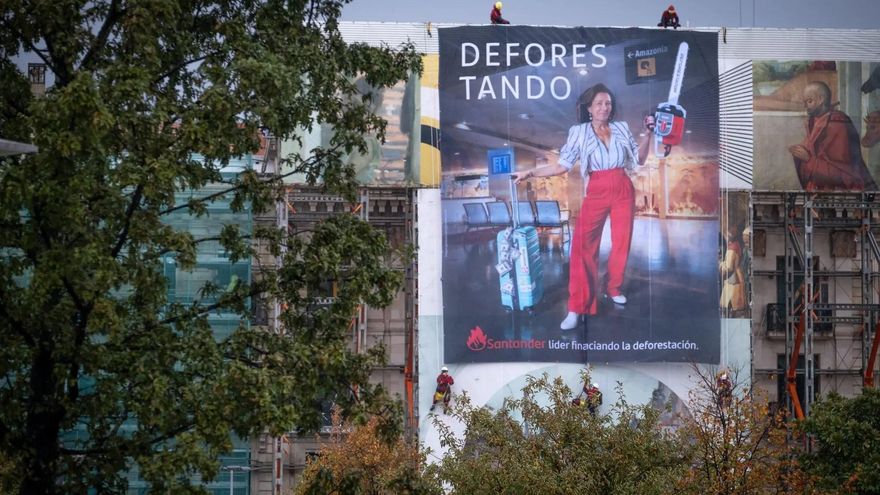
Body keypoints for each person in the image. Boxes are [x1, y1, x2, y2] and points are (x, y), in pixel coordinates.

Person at [517, 83, 654, 330]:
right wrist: (531, 172)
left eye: (608, 103)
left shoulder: (621, 128)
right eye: (599, 103)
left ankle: (613, 287)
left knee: (621, 242)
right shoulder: (578, 132)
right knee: (581, 247)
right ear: (589, 108)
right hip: (598, 187)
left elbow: (640, 160)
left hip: (623, 185)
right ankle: (576, 306)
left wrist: (648, 133)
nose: (605, 107)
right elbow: (561, 166)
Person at [788, 81, 877, 191]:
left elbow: (846, 175)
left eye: (809, 101)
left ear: (820, 100)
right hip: (819, 191)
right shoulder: (814, 121)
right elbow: (811, 149)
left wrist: (808, 159)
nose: (805, 106)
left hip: (842, 195)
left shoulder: (838, 124)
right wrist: (800, 152)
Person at [719, 227, 746, 317]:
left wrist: (721, 265)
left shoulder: (731, 249)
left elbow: (729, 267)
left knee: (730, 305)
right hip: (736, 275)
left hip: (732, 279)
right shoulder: (736, 246)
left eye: (726, 235)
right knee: (735, 305)